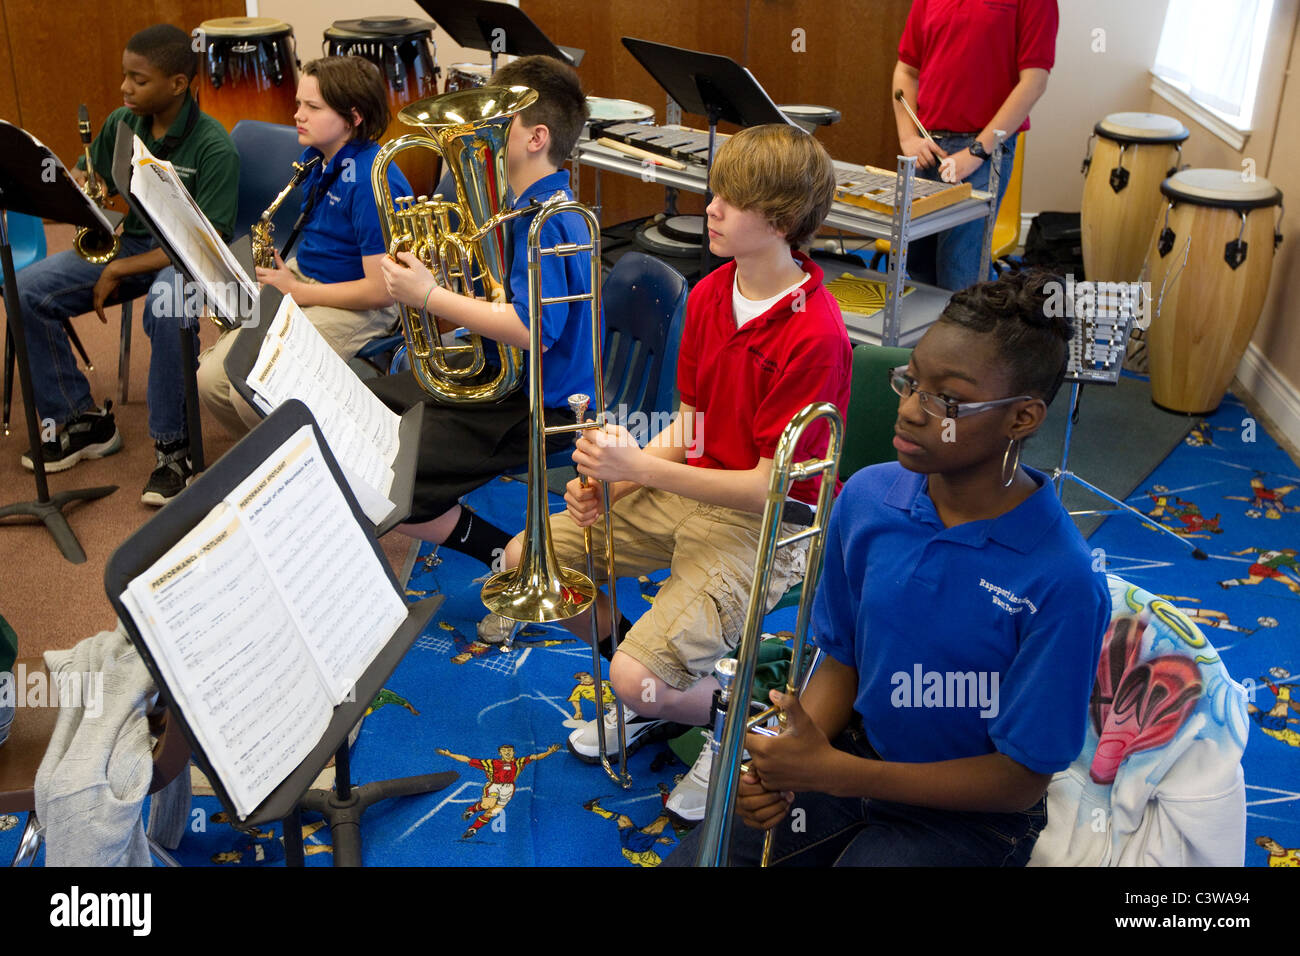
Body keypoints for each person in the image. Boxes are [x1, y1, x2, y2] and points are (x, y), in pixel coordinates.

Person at [669, 270, 1111, 867]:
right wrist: (789, 758)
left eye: (946, 400)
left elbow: (1019, 781)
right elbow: (842, 659)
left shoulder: (1062, 581)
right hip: (855, 753)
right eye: (911, 383)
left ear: (1023, 418)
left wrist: (838, 774)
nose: (909, 411)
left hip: (971, 817)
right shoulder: (869, 498)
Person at [484, 123, 852, 820]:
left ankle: (736, 720)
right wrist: (616, 477)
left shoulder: (817, 334)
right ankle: (659, 699)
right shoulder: (712, 292)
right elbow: (691, 430)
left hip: (765, 522)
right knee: (525, 559)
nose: (709, 208)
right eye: (715, 192)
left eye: (729, 201)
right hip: (697, 489)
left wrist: (638, 468)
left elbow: (769, 487)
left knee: (628, 674)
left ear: (777, 222)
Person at [369, 54, 595, 572]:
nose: (482, 129)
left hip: (541, 404)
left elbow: (532, 331)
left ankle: (499, 553)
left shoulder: (551, 223)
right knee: (362, 408)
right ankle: (496, 548)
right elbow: (499, 304)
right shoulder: (518, 212)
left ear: (536, 137)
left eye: (500, 118)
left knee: (383, 471)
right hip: (504, 379)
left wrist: (429, 296)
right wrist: (439, 274)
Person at [17, 24, 238, 502]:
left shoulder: (214, 146)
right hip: (132, 243)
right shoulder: (122, 122)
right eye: (124, 76)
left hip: (190, 260)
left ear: (178, 84)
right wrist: (78, 186)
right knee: (27, 289)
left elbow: (205, 249)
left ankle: (172, 448)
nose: (124, 88)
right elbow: (88, 172)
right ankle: (81, 420)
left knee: (164, 305)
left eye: (138, 80)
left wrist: (118, 270)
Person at [196, 56, 408, 440]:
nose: (298, 115)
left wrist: (296, 291)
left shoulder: (371, 181)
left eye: (312, 107)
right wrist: (286, 275)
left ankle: (306, 474)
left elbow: (380, 291)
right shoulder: (319, 158)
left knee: (255, 394)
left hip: (362, 305)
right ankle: (268, 461)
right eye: (298, 104)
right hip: (308, 279)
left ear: (353, 117)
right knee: (210, 379)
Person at [891, 0, 1057, 290]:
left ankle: (967, 335)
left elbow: (1034, 81)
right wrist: (909, 138)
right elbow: (906, 70)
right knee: (919, 267)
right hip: (928, 149)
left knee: (959, 273)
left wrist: (977, 151)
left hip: (982, 154)